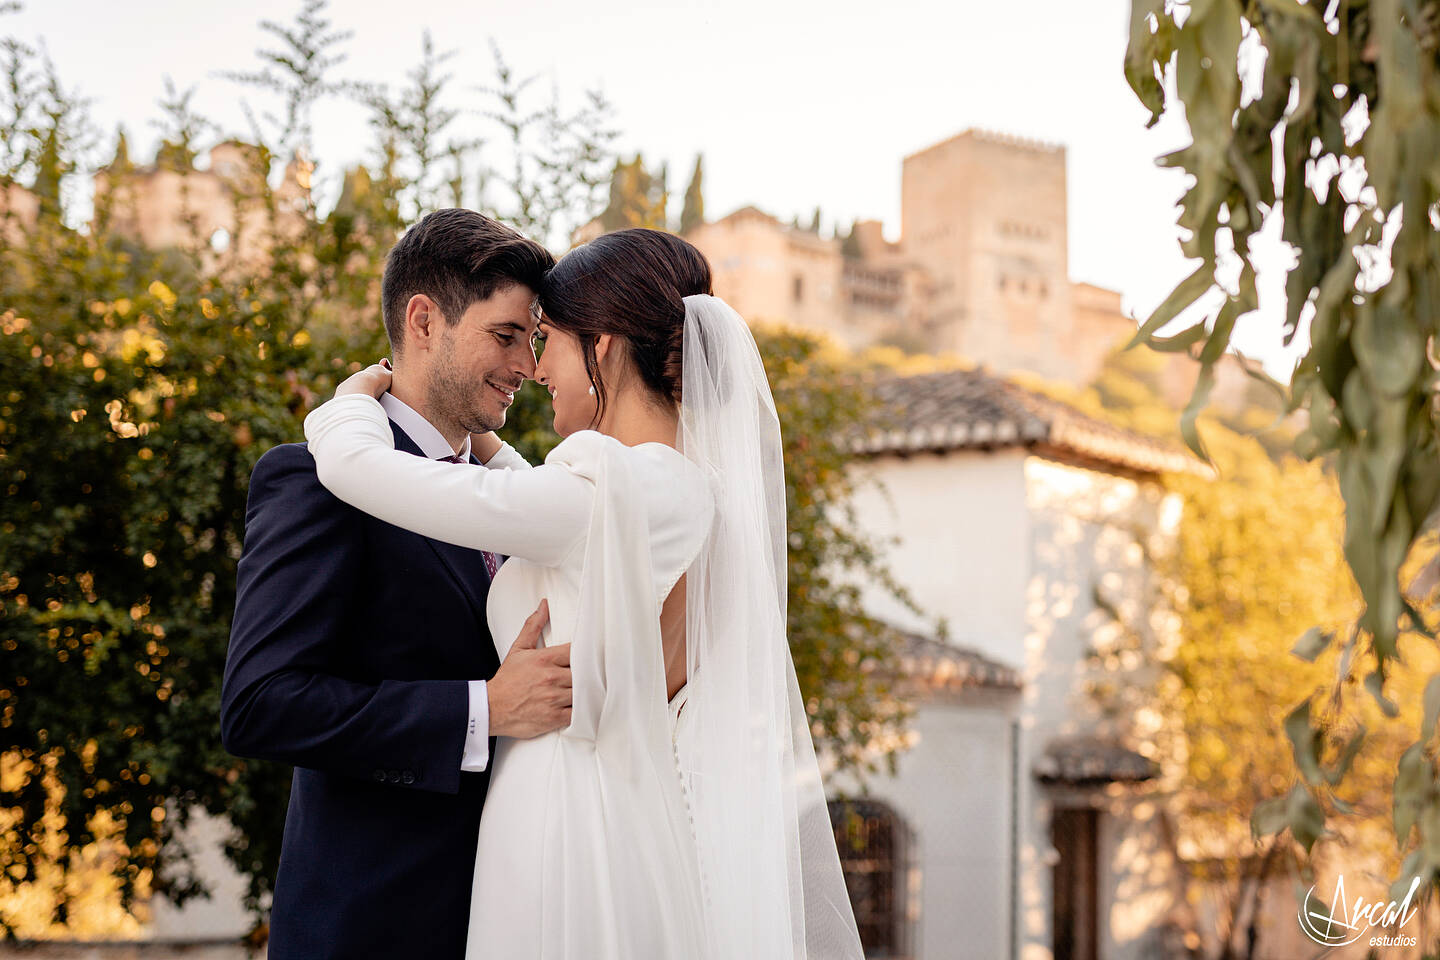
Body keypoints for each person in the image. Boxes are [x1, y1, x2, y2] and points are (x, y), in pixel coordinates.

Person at [302, 227, 864, 959]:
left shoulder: (607, 485)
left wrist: (349, 403)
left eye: (550, 340)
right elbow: (546, 511)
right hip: (626, 816)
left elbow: (359, 470)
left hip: (557, 824)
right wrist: (492, 451)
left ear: (600, 348)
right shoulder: (684, 489)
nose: (536, 370)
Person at [220, 208, 574, 959]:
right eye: (507, 335)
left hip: (507, 920)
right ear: (423, 320)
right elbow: (259, 704)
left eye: (536, 342)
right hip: (369, 928)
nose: (529, 366)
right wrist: (484, 708)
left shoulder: (508, 494)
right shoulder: (315, 482)